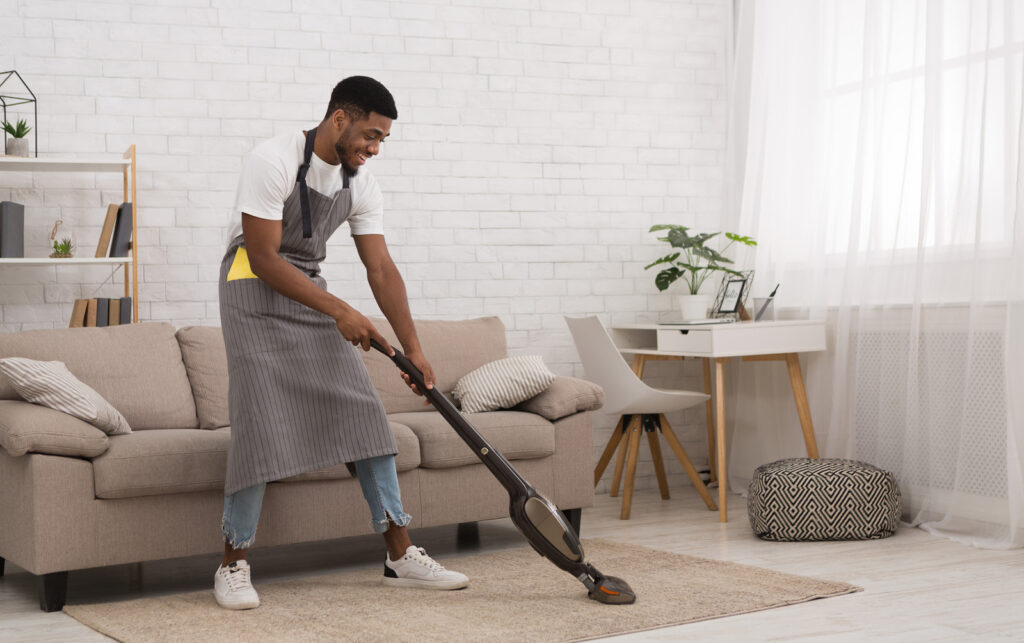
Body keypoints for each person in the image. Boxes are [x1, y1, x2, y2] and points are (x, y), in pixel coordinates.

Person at [213, 76, 468, 610]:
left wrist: (414, 348)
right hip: (251, 291)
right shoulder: (273, 160)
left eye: (382, 141)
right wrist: (342, 311)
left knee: (364, 415)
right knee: (261, 422)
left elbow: (380, 267)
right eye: (370, 135)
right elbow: (262, 258)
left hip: (309, 289)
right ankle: (232, 563)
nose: (374, 149)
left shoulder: (360, 182)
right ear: (339, 119)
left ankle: (399, 555)